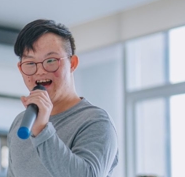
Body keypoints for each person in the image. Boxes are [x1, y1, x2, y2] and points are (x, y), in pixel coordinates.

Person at [7, 19, 118, 177]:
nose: (40, 71)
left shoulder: (96, 122)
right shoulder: (20, 123)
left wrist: (42, 131)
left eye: (51, 61)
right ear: (21, 68)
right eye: (30, 63)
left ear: (72, 63)